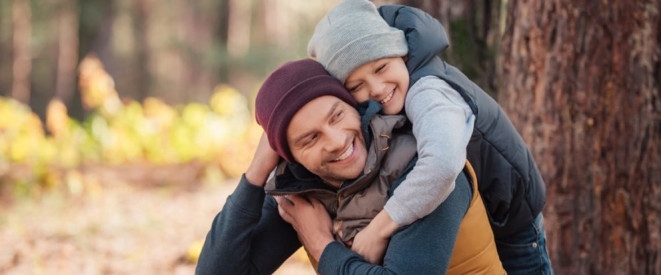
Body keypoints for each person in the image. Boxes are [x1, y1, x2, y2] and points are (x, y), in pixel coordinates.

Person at [307, 0, 551, 274]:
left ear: (402, 55)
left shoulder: (428, 91)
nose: (376, 88)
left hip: (512, 223)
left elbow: (442, 165)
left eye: (381, 67)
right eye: (356, 85)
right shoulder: (395, 91)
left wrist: (379, 228)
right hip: (473, 217)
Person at [195, 59, 504, 274]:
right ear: (289, 156)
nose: (336, 141)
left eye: (337, 116)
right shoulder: (304, 189)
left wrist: (321, 244)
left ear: (355, 107)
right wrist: (255, 175)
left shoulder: (422, 170)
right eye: (309, 139)